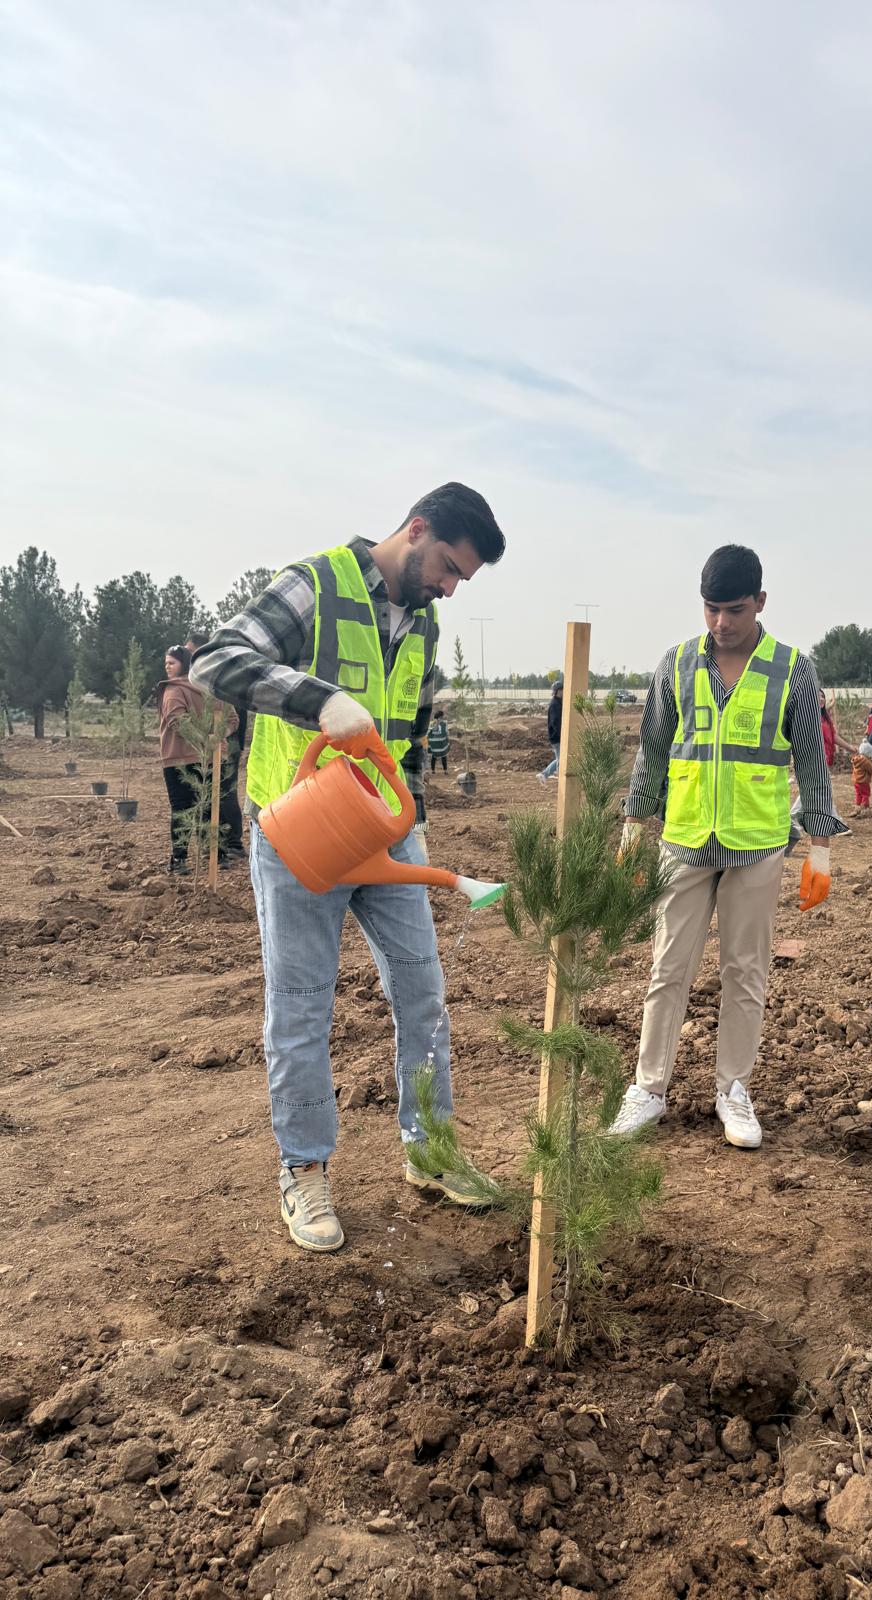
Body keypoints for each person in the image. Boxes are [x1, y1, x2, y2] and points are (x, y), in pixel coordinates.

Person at [190, 482, 507, 1252]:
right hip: (304, 832)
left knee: (422, 993)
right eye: (449, 568)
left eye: (462, 579)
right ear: (418, 528)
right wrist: (317, 699)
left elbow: (410, 733)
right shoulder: (317, 584)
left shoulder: (424, 625)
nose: (449, 587)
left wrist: (417, 826)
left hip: (386, 837)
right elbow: (213, 662)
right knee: (302, 1007)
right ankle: (303, 1171)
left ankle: (429, 1150)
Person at [610, 544, 846, 1150]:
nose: (721, 623)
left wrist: (819, 845)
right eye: (711, 609)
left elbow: (813, 761)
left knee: (746, 972)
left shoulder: (792, 669)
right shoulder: (678, 663)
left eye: (734, 609)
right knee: (669, 967)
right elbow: (654, 746)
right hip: (685, 840)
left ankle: (733, 1090)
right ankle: (648, 1089)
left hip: (758, 843)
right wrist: (635, 824)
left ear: (760, 603)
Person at [155, 646, 237, 873]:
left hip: (178, 758)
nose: (167, 667)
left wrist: (206, 739)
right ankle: (217, 855)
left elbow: (177, 721)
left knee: (183, 809)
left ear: (184, 664)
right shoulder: (213, 689)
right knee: (211, 807)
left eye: (172, 662)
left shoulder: (173, 690)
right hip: (213, 757)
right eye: (166, 663)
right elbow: (232, 720)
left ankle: (180, 860)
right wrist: (216, 738)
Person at [185, 628, 245, 858]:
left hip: (227, 744)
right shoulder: (207, 679)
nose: (189, 658)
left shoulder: (219, 680)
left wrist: (221, 737)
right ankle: (216, 844)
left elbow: (233, 719)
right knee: (210, 792)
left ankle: (234, 844)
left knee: (225, 792)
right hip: (212, 745)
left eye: (191, 652)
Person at [818, 688, 858, 766]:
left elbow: (833, 736)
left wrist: (849, 747)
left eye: (823, 696)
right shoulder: (807, 719)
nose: (821, 699)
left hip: (826, 759)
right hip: (813, 761)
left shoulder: (825, 718)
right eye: (817, 696)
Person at [538, 682, 564, 782]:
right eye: (562, 690)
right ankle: (559, 777)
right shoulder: (555, 704)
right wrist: (562, 735)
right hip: (557, 737)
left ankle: (544, 774)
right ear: (558, 691)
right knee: (560, 759)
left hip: (558, 736)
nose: (564, 692)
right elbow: (555, 722)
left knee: (560, 758)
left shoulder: (559, 702)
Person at [851, 740, 872, 812]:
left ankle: (858, 806)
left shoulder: (857, 759)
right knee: (866, 794)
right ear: (869, 753)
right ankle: (865, 807)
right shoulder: (866, 761)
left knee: (858, 794)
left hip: (856, 781)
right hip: (863, 781)